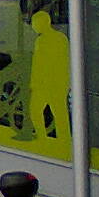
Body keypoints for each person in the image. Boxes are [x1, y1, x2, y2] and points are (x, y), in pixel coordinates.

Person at [28, 10, 72, 142]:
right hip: (58, 82)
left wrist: (34, 81)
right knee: (59, 112)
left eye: (34, 23)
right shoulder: (61, 38)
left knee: (37, 110)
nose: (33, 26)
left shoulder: (42, 41)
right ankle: (64, 140)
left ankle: (42, 136)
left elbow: (38, 64)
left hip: (47, 83)